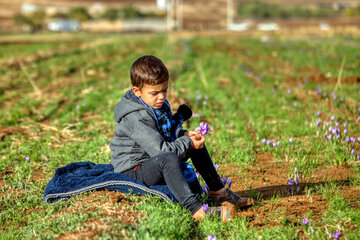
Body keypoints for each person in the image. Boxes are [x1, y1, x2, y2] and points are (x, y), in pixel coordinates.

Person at [109, 55, 254, 221]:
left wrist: (183, 135)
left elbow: (166, 133)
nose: (162, 97)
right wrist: (185, 142)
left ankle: (218, 192)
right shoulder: (136, 117)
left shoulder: (156, 104)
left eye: (164, 90)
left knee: (193, 142)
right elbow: (161, 151)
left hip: (153, 159)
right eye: (155, 93)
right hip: (135, 170)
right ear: (137, 91)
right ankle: (196, 210)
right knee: (168, 157)